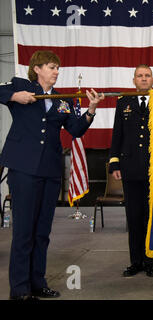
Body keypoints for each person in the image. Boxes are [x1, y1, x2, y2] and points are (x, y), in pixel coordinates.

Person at [0, 50, 104, 300]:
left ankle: (38, 282)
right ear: (37, 68)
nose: (56, 71)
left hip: (49, 171)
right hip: (24, 168)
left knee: (42, 232)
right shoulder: (21, 86)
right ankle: (20, 289)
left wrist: (90, 109)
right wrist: (16, 96)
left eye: (57, 68)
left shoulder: (62, 101)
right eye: (51, 67)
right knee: (23, 231)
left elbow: (76, 130)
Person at [108, 64, 153, 278]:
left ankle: (151, 262)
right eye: (140, 76)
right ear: (134, 80)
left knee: (151, 218)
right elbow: (117, 134)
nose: (144, 79)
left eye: (147, 76)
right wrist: (114, 162)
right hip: (130, 169)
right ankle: (135, 262)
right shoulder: (124, 103)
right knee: (134, 217)